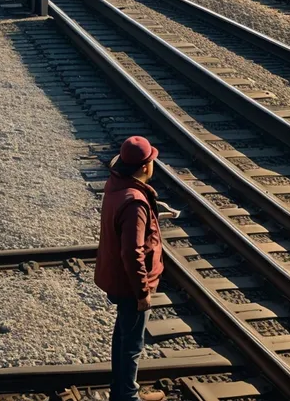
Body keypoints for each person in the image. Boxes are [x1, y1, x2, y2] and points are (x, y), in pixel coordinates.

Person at [95, 136, 179, 401]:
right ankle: (128, 397)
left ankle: (121, 392)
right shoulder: (135, 203)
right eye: (152, 160)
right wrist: (142, 292)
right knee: (132, 344)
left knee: (123, 337)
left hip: (117, 279)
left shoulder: (116, 185)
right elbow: (133, 252)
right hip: (130, 285)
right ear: (145, 167)